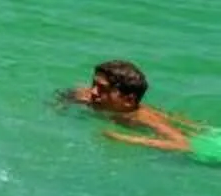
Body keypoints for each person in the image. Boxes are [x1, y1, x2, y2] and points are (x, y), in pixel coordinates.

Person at [63, 61, 218, 159]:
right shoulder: (91, 97)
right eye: (94, 84)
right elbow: (69, 93)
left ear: (129, 100)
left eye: (103, 89)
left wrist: (124, 139)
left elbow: (183, 146)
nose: (93, 92)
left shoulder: (142, 119)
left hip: (209, 142)